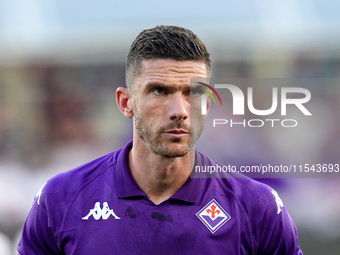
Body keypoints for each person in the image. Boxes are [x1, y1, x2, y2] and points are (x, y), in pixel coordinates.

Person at [18, 25, 303, 254]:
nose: (179, 111)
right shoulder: (61, 199)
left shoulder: (256, 207)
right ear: (126, 102)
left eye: (193, 93)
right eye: (159, 91)